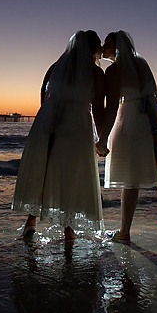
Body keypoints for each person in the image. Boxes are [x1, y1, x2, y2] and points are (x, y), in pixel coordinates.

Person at [12, 30, 106, 241]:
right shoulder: (95, 73)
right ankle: (68, 229)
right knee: (71, 174)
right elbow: (99, 107)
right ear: (92, 48)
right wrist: (102, 137)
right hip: (77, 122)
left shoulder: (56, 67)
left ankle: (31, 221)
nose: (101, 48)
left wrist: (47, 117)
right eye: (98, 44)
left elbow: (43, 92)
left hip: (49, 119)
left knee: (46, 169)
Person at [97, 31, 157, 242]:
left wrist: (102, 137)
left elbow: (111, 106)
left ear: (117, 48)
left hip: (130, 123)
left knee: (131, 180)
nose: (103, 47)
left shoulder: (114, 70)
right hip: (154, 121)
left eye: (107, 44)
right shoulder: (142, 64)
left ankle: (125, 231)